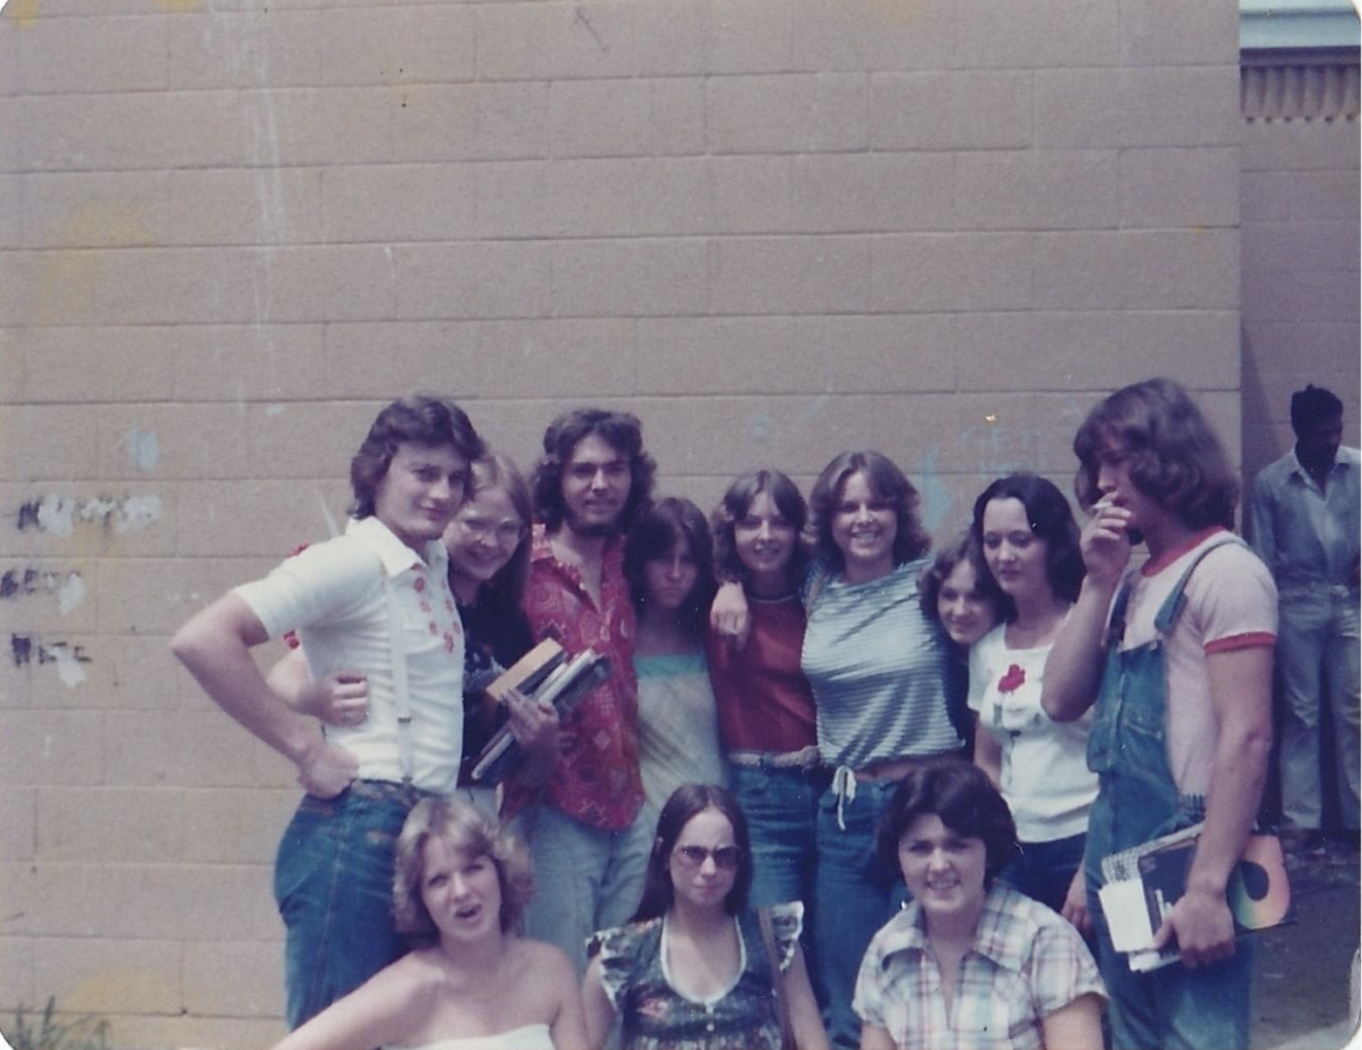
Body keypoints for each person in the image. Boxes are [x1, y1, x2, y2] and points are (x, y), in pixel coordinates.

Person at [171, 395, 485, 1027]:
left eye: (455, 478)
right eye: (424, 473)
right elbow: (204, 638)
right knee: (329, 1037)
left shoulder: (429, 561)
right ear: (377, 473)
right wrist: (305, 748)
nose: (442, 492)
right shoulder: (350, 560)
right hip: (357, 832)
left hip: (419, 829)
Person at [1043, 377, 1277, 1050]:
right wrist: (1098, 582)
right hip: (1118, 849)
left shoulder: (1225, 571)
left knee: (1197, 1036)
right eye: (1099, 465)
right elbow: (1061, 699)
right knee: (1137, 1036)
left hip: (1190, 851)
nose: (1107, 482)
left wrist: (1207, 887)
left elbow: (1248, 737)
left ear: (1171, 460)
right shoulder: (1133, 582)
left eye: (1123, 460)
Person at [711, 450, 962, 1047]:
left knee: (928, 981)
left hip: (923, 803)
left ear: (900, 512)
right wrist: (728, 584)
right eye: (849, 506)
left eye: (877, 504)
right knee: (844, 993)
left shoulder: (932, 583)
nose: (864, 518)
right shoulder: (816, 587)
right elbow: (752, 553)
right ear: (828, 520)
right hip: (844, 810)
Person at [271, 796, 587, 1050]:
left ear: (500, 871)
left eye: (473, 868)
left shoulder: (550, 969)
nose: (461, 892)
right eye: (438, 881)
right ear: (419, 897)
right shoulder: (409, 989)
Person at [516, 408, 656, 975]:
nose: (600, 485)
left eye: (615, 469)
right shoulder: (520, 557)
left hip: (629, 808)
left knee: (613, 981)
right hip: (555, 806)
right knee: (560, 973)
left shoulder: (635, 559)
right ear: (559, 478)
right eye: (584, 471)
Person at [855, 760, 1105, 1050]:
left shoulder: (1047, 942)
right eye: (920, 848)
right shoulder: (886, 949)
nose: (938, 865)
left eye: (957, 845)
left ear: (988, 851)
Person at [582, 784, 828, 1050]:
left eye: (725, 855)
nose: (709, 869)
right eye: (693, 853)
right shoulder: (623, 955)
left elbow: (812, 1040)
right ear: (664, 855)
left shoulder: (773, 938)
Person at [968, 474, 1096, 930]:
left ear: (1052, 543)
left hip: (1086, 843)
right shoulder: (987, 648)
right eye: (992, 541)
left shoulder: (1091, 629)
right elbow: (987, 759)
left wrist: (1092, 867)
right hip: (1018, 853)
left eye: (1021, 540)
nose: (1004, 556)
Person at [706, 469, 823, 920]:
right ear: (731, 530)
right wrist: (728, 584)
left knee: (830, 937)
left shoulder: (818, 600)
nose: (766, 536)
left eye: (780, 523)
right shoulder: (712, 602)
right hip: (760, 790)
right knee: (776, 937)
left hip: (828, 785)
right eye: (751, 523)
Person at [1250, 383, 1360, 845]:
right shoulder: (1272, 483)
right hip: (1296, 602)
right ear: (1298, 432)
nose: (1331, 441)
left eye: (1336, 430)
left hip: (1350, 598)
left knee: (1355, 708)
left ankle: (1356, 814)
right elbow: (1261, 553)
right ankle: (1302, 819)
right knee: (1302, 713)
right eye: (1321, 434)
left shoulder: (1357, 469)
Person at [624, 497, 727, 826]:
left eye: (688, 561)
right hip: (650, 825)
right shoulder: (620, 640)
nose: (675, 573)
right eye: (663, 559)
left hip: (718, 814)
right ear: (642, 562)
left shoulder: (711, 636)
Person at [918, 531, 1006, 753]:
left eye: (975, 597)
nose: (960, 611)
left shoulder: (1010, 653)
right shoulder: (937, 654)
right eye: (949, 596)